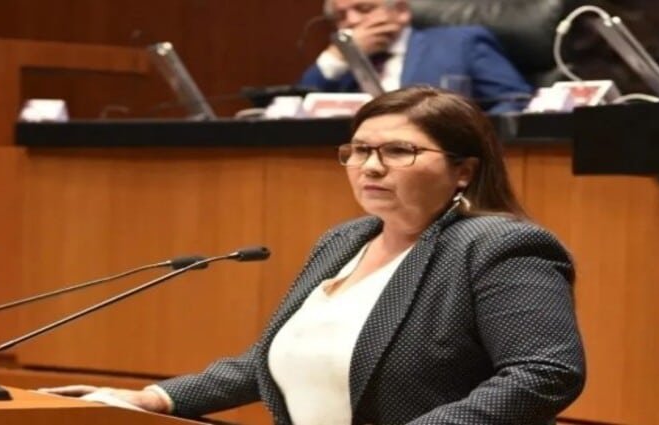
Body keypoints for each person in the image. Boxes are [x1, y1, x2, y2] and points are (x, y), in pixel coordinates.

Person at [41, 86, 586, 424]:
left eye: (399, 151)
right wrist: (156, 399)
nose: (371, 166)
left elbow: (544, 372)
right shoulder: (344, 242)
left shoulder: (498, 246)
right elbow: (272, 359)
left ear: (463, 170)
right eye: (359, 150)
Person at [299, 0, 533, 113]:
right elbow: (299, 108)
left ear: (401, 11)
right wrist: (337, 57)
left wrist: (471, 141)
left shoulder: (461, 43)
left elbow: (516, 100)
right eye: (340, 16)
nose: (351, 21)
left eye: (364, 9)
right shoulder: (342, 66)